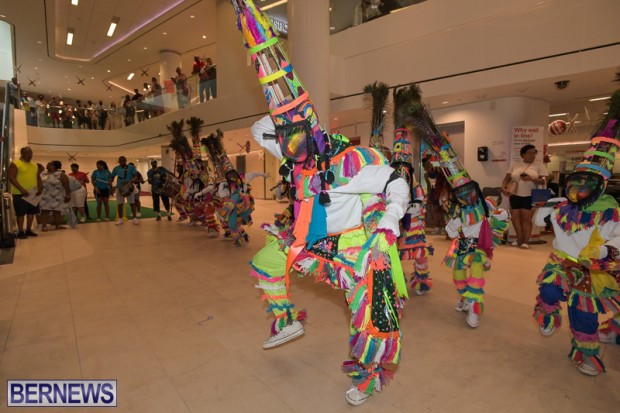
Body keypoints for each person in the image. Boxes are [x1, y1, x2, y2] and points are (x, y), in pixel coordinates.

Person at [532, 96, 620, 376]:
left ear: (600, 186)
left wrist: (605, 251)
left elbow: (617, 238)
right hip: (561, 262)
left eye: (587, 183)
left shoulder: (608, 211)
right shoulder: (561, 207)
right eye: (576, 181)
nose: (579, 188)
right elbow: (539, 221)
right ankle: (547, 315)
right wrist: (547, 207)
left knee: (583, 313)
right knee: (548, 290)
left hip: (590, 269)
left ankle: (585, 351)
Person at [501, 144, 548, 249]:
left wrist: (532, 179)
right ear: (523, 154)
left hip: (530, 196)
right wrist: (503, 187)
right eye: (529, 153)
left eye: (534, 153)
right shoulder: (515, 165)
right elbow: (507, 178)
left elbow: (544, 181)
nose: (532, 155)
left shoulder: (539, 166)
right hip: (514, 195)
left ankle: (526, 242)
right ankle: (519, 240)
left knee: (526, 219)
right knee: (515, 219)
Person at [8, 147, 42, 239]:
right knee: (21, 213)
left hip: (33, 193)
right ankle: (20, 232)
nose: (30, 155)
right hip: (19, 193)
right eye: (28, 153)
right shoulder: (15, 164)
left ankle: (28, 230)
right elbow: (11, 178)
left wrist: (40, 188)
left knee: (31, 212)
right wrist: (21, 189)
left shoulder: (34, 165)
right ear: (22, 154)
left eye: (31, 153)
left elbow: (38, 177)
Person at [39, 160, 71, 232]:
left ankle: (58, 225)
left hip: (57, 195)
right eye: (47, 164)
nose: (47, 165)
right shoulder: (43, 174)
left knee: (57, 211)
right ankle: (44, 226)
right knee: (45, 210)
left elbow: (66, 185)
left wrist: (68, 195)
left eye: (50, 164)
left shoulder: (60, 174)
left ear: (55, 166)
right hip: (45, 196)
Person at [110, 156, 139, 225]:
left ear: (126, 161)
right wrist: (110, 181)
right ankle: (120, 219)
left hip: (129, 187)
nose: (122, 162)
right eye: (120, 161)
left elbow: (136, 175)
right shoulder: (116, 168)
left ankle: (134, 218)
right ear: (119, 161)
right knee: (120, 204)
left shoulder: (131, 167)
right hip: (119, 188)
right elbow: (112, 176)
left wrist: (134, 179)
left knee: (132, 203)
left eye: (123, 160)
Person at [423, 156, 449, 234]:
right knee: (435, 210)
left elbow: (445, 178)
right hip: (434, 193)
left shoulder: (438, 169)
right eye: (426, 165)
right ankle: (437, 227)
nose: (429, 165)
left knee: (443, 210)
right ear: (424, 167)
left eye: (429, 163)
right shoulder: (426, 175)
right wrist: (428, 196)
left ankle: (444, 227)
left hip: (442, 192)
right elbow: (428, 186)